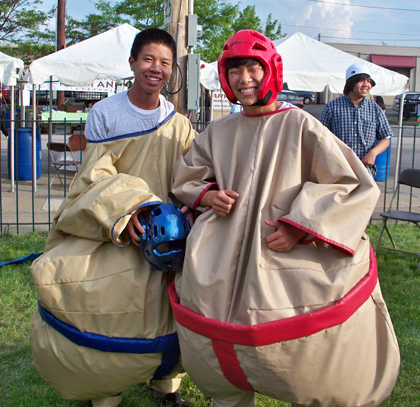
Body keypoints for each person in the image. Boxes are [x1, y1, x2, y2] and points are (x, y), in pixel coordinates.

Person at [170, 30, 400, 407]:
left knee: (297, 352)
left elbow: (350, 183)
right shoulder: (220, 130)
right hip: (223, 253)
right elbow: (187, 175)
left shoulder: (300, 125)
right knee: (219, 348)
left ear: (271, 69)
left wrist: (299, 226)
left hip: (278, 253)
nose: (244, 79)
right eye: (235, 70)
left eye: (252, 68)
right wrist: (208, 194)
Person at [29, 28, 196, 407]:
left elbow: (189, 175)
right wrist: (129, 209)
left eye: (165, 63)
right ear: (133, 63)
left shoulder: (179, 124)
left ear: (172, 72)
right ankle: (106, 390)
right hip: (116, 225)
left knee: (170, 309)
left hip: (166, 233)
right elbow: (94, 175)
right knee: (106, 308)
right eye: (149, 59)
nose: (156, 69)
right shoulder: (105, 113)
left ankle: (166, 387)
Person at [320, 63, 392, 178]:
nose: (366, 85)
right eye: (361, 81)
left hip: (365, 170)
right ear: (351, 83)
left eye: (368, 81)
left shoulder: (375, 108)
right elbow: (321, 137)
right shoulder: (332, 107)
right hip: (338, 170)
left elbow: (385, 138)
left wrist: (373, 153)